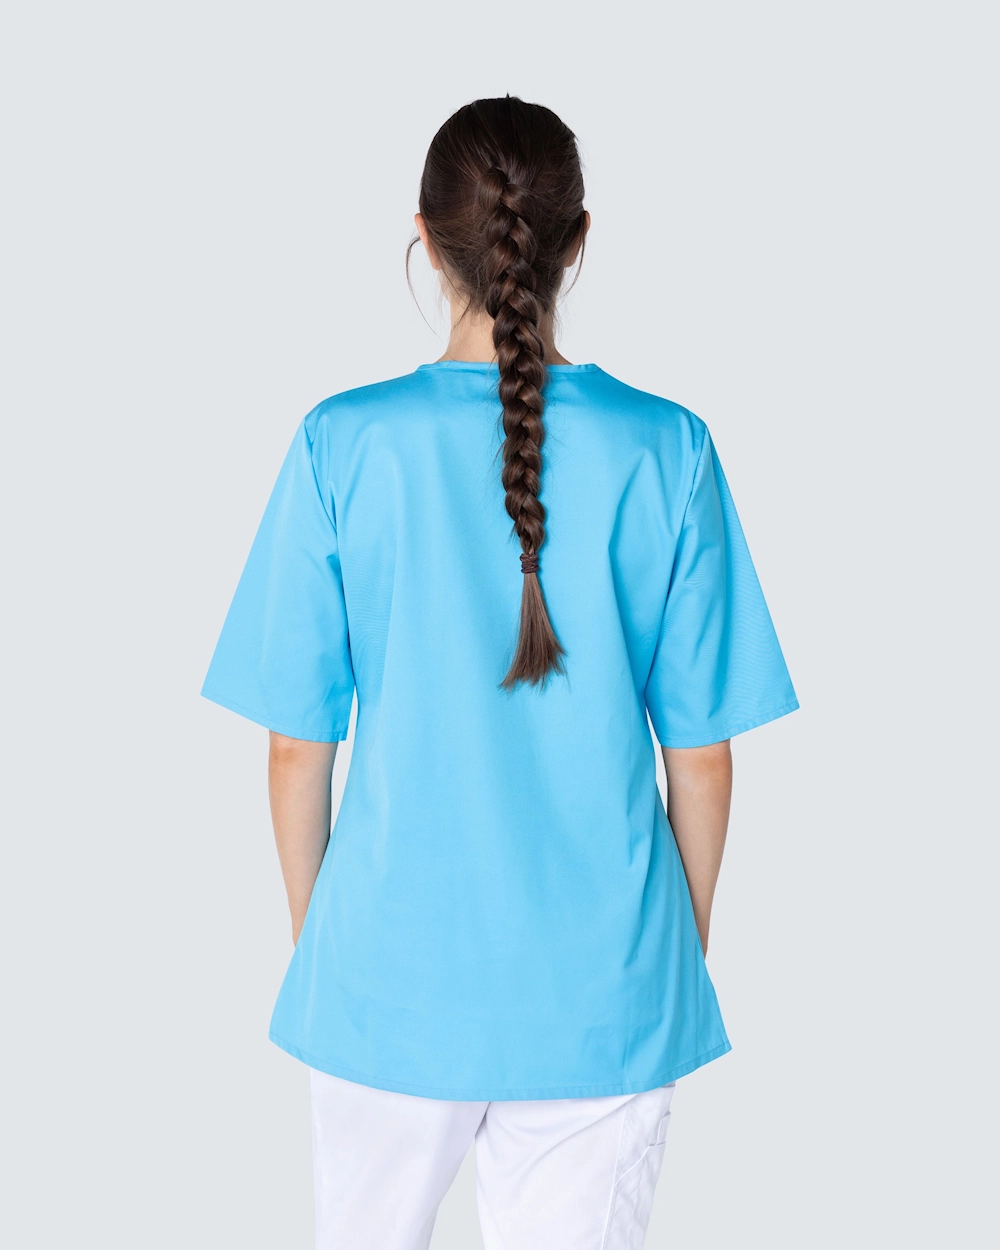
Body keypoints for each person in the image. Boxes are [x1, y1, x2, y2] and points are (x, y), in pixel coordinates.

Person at [202, 96, 798, 1250]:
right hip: (602, 985)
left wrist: (330, 952)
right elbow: (703, 756)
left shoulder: (341, 442)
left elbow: (293, 748)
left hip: (385, 978)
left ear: (424, 238)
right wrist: (667, 957)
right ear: (578, 241)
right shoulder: (669, 447)